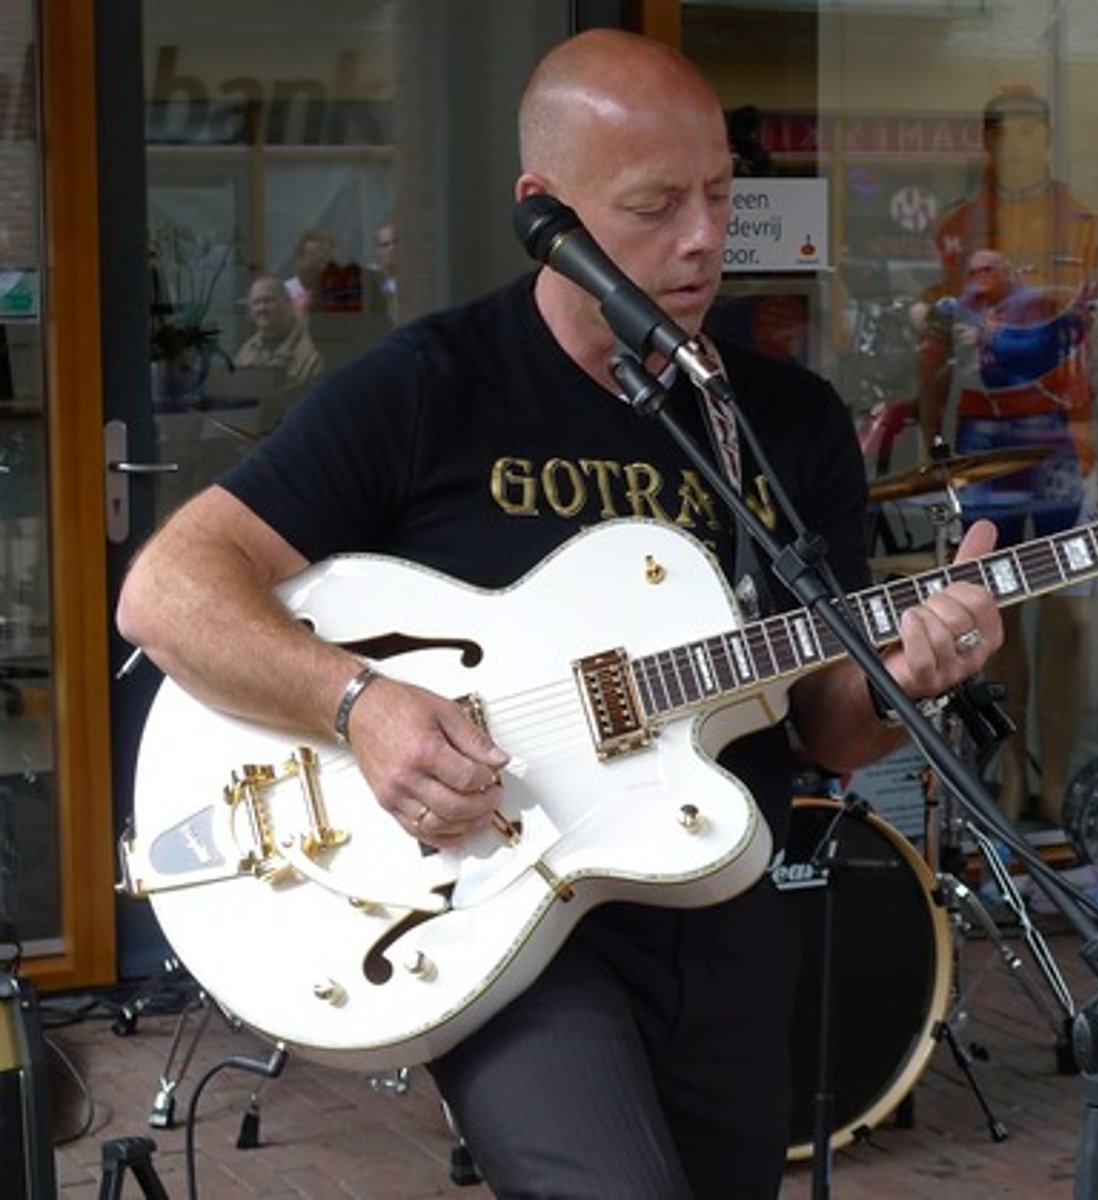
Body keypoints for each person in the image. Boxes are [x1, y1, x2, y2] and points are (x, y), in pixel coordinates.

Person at [116, 30, 1003, 1200]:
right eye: (651, 206)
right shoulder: (435, 385)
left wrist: (907, 673)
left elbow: (834, 726)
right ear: (546, 209)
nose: (699, 239)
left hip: (722, 898)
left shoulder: (784, 420)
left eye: (719, 196)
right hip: (502, 905)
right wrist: (361, 700)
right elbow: (166, 588)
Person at [912, 87, 1098, 829]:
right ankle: (1016, 780)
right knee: (1001, 620)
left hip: (1059, 441)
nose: (1021, 147)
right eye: (1006, 135)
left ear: (1048, 141)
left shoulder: (1082, 224)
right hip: (984, 444)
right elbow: (936, 339)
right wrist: (929, 436)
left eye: (1033, 134)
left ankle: (1058, 779)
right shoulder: (958, 228)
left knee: (1071, 618)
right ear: (987, 143)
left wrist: (1094, 424)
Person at [233, 274, 323, 389]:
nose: (262, 308)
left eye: (268, 300)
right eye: (256, 302)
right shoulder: (246, 353)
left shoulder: (312, 350)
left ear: (287, 303)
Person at [283, 227, 338, 318]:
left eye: (327, 255)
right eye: (314, 255)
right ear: (300, 259)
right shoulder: (285, 292)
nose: (322, 264)